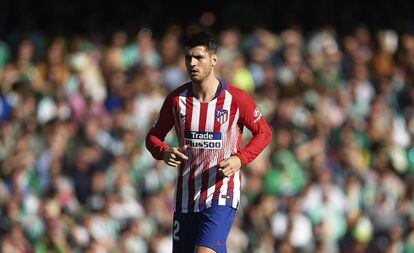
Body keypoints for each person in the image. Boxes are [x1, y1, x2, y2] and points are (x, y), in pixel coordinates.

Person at [146, 31, 272, 253]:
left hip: (221, 193)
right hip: (186, 197)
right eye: (188, 58)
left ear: (214, 59)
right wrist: (164, 152)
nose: (192, 64)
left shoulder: (237, 99)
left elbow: (264, 133)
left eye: (198, 57)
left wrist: (239, 159)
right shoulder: (177, 100)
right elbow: (153, 137)